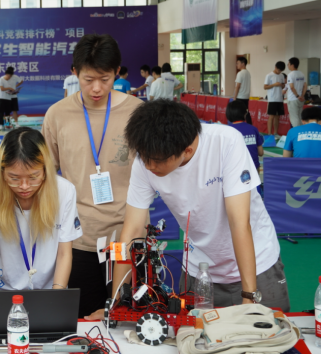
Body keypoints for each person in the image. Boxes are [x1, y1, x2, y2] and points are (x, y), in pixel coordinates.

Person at [92, 100, 288, 320]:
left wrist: (249, 296)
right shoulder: (146, 160)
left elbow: (238, 222)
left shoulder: (226, 142)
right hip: (199, 271)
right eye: (143, 157)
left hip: (258, 266)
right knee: (195, 335)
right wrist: (116, 304)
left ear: (187, 151)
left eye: (156, 161)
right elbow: (132, 230)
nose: (148, 166)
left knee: (267, 332)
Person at [41, 34, 143, 318]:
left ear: (117, 72)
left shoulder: (137, 113)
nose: (97, 88)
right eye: (88, 79)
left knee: (127, 320)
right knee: (83, 323)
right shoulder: (57, 115)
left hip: (127, 236)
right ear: (74, 72)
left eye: (105, 79)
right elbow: (45, 175)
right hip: (77, 239)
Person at [0, 128, 81, 291]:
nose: (24, 186)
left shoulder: (65, 191)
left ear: (45, 170)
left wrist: (56, 296)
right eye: (14, 178)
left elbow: (64, 253)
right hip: (4, 290)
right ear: (2, 173)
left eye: (33, 177)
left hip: (50, 290)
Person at [226, 100, 264, 171]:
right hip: (254, 169)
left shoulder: (227, 131)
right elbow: (261, 152)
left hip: (235, 169)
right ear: (245, 113)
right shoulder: (253, 129)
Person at [264, 61, 286, 136]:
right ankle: (269, 133)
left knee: (277, 117)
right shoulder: (269, 75)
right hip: (272, 99)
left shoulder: (281, 75)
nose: (279, 72)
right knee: (271, 116)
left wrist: (281, 85)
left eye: (281, 71)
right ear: (275, 67)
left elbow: (283, 86)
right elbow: (265, 87)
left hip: (280, 98)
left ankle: (275, 133)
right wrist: (274, 84)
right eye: (278, 70)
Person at [286, 57, 307, 128]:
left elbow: (292, 87)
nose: (288, 66)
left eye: (288, 64)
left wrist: (297, 96)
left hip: (293, 99)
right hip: (300, 99)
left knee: (294, 118)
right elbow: (305, 86)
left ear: (292, 65)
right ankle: (301, 132)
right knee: (300, 116)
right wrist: (302, 96)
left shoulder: (290, 74)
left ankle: (297, 133)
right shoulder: (301, 74)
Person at [234, 56, 253, 125]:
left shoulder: (240, 73)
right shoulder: (248, 73)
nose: (237, 65)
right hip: (246, 97)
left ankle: (239, 126)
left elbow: (238, 86)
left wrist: (234, 97)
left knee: (239, 113)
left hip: (240, 97)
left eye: (238, 63)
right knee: (246, 112)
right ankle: (250, 126)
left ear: (243, 63)